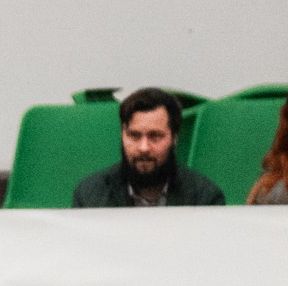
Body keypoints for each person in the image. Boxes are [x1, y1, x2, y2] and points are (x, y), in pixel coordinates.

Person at [72, 88, 224, 208]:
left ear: (174, 139)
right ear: (122, 135)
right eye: (134, 136)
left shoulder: (204, 198)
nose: (143, 148)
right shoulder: (90, 196)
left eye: (155, 136)